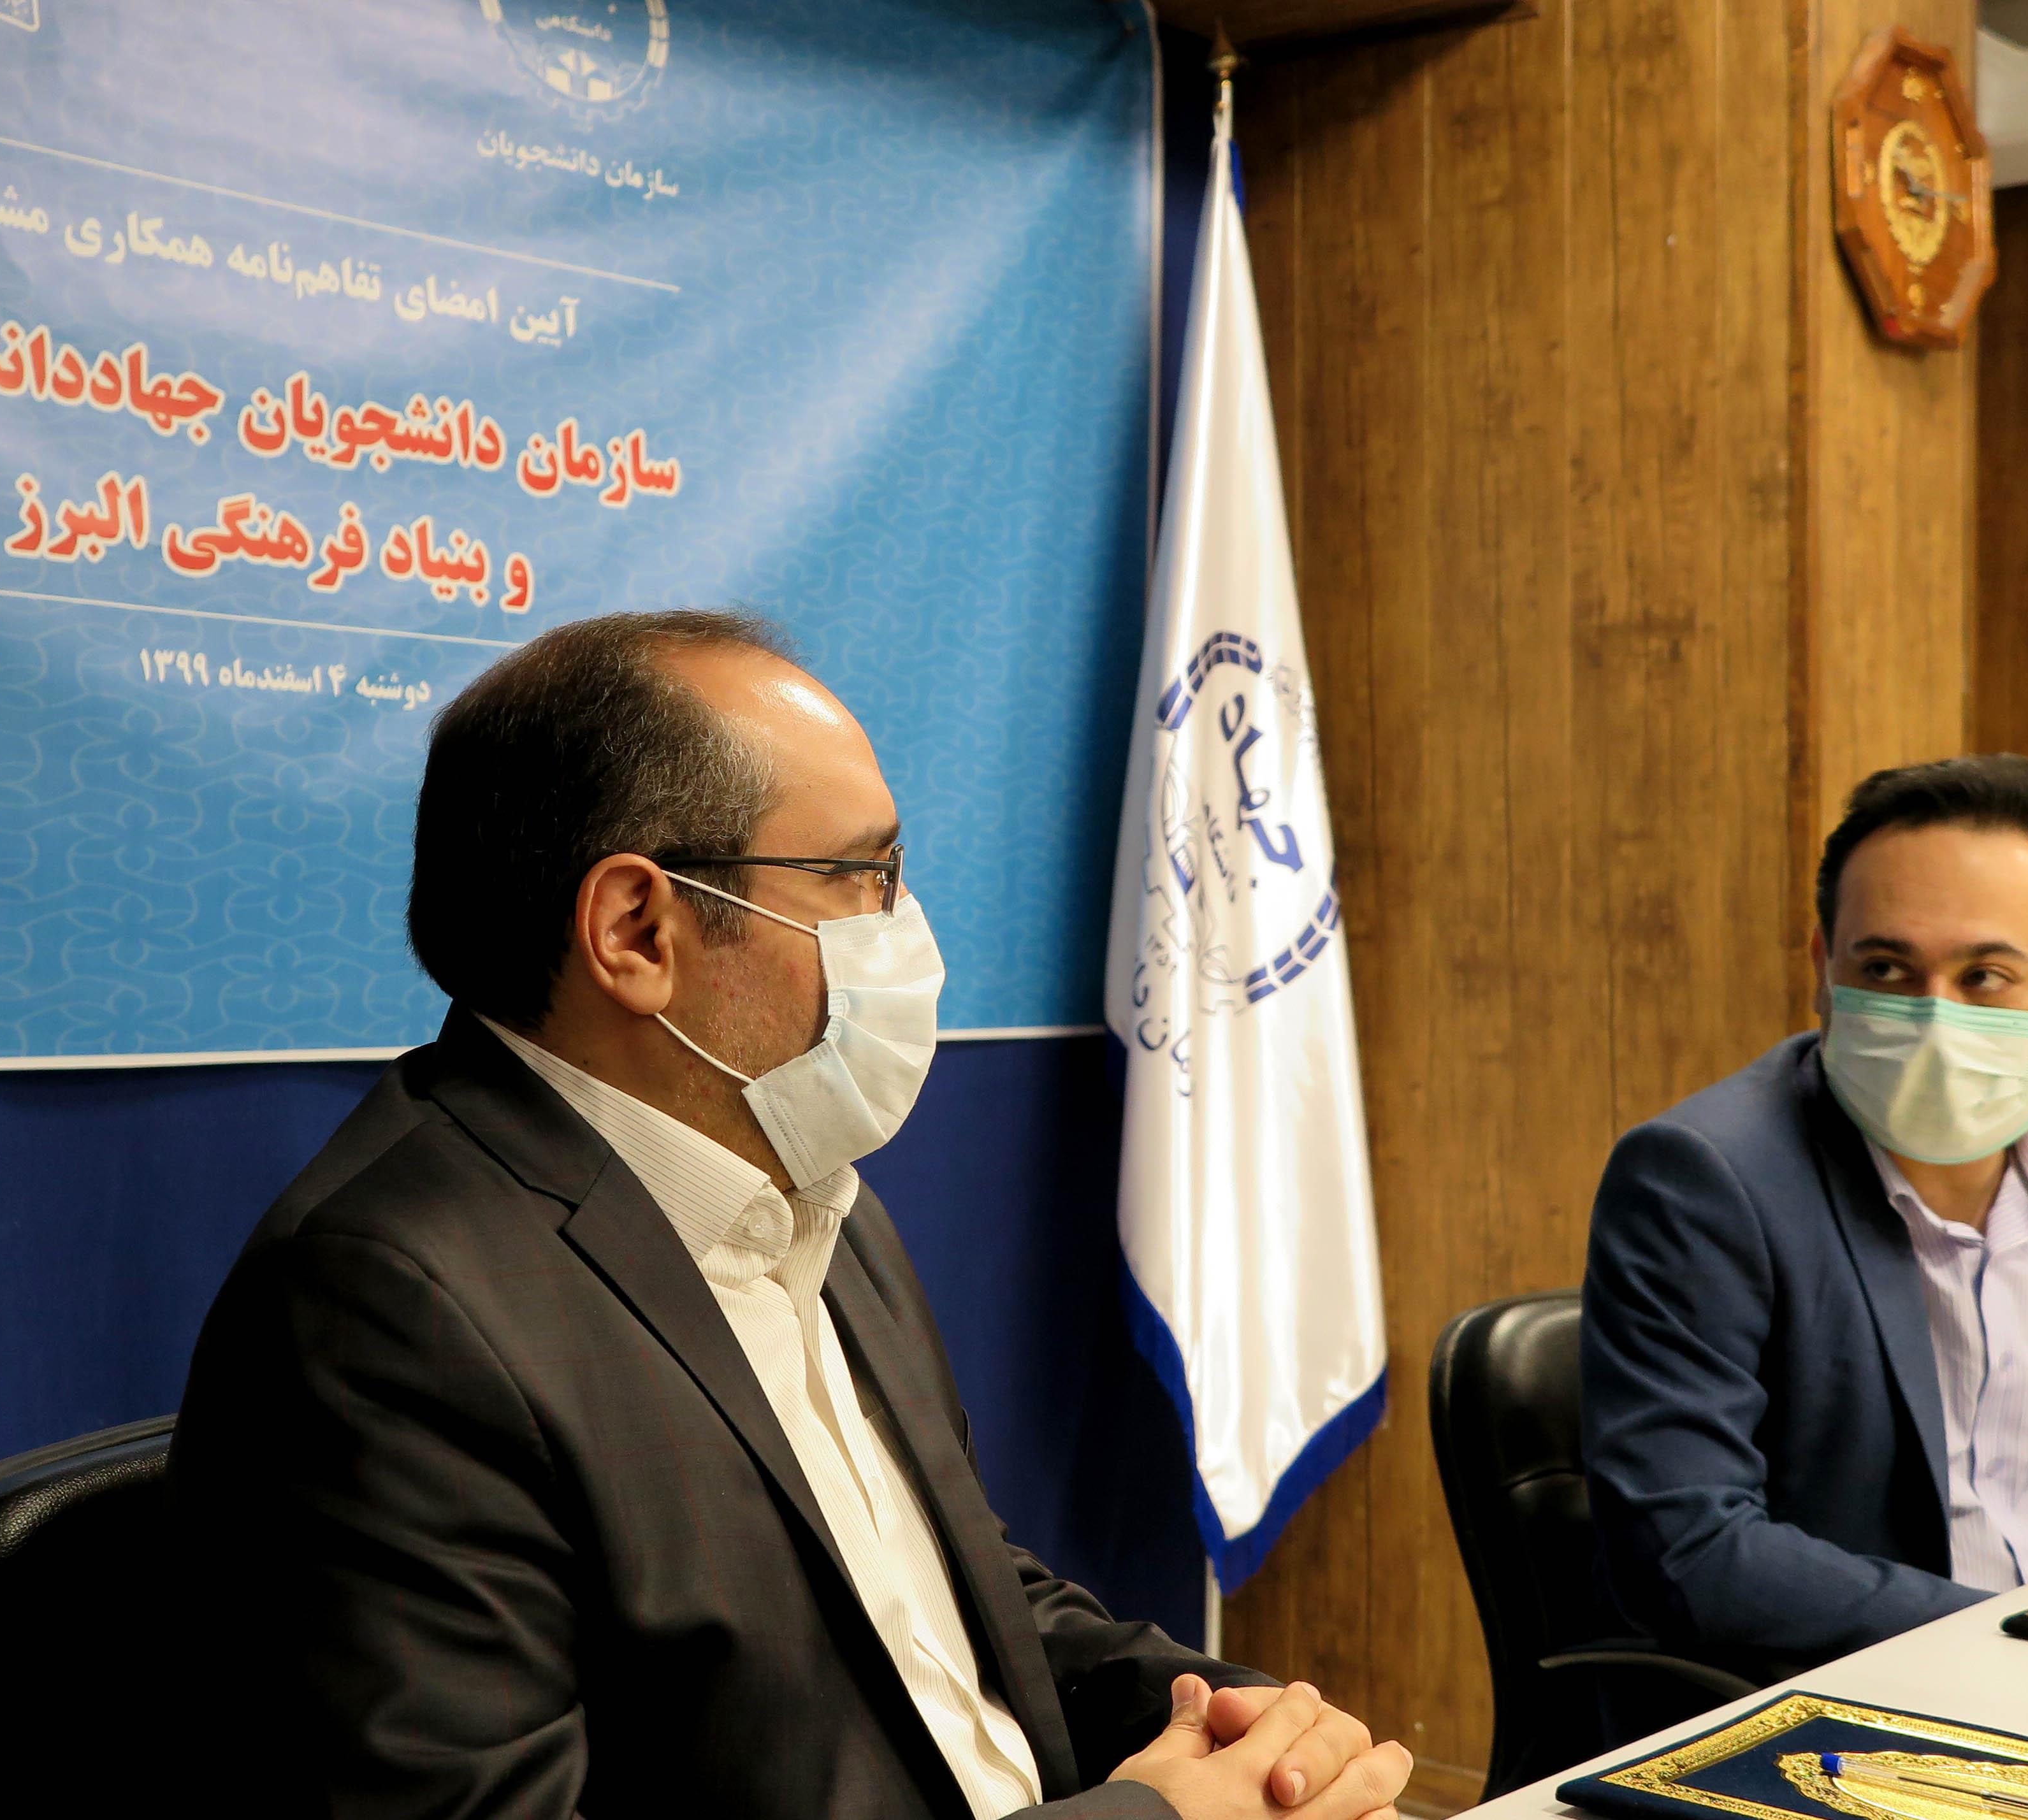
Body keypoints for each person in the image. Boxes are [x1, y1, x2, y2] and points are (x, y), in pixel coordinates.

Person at [171, 611, 1414, 1819]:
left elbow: (949, 1599)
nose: (903, 926)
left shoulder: (801, 1185)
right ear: (637, 931)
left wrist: (1247, 1734)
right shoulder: (386, 1310)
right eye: (858, 875)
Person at [1580, 753, 2028, 1677]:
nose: (1933, 1020)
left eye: (1985, 976)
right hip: (1865, 1697)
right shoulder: (1702, 1181)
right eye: (1886, 968)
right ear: (1821, 970)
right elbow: (1690, 1550)